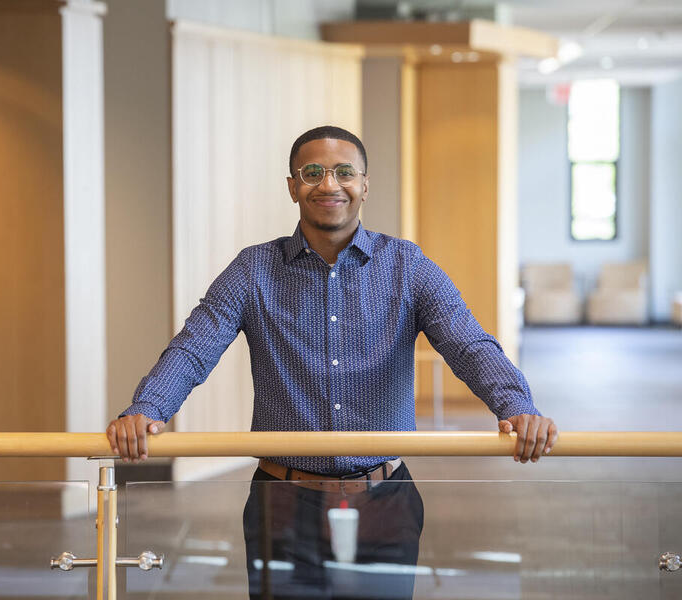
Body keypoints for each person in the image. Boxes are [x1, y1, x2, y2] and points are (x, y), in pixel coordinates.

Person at [107, 125, 557, 598]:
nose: (329, 185)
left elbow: (468, 343)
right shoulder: (253, 269)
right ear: (292, 186)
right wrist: (147, 409)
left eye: (345, 172)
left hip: (386, 500)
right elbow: (195, 345)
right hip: (281, 503)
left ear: (364, 185)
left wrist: (516, 406)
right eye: (313, 172)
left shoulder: (408, 265)